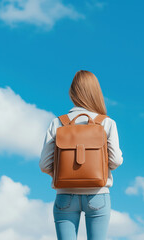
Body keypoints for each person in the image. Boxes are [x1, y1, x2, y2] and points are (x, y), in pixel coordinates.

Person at [39, 70, 124, 240]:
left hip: (64, 196)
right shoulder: (107, 123)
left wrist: (65, 175)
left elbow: (44, 164)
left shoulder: (58, 123)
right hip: (98, 195)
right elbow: (114, 161)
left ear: (72, 93)